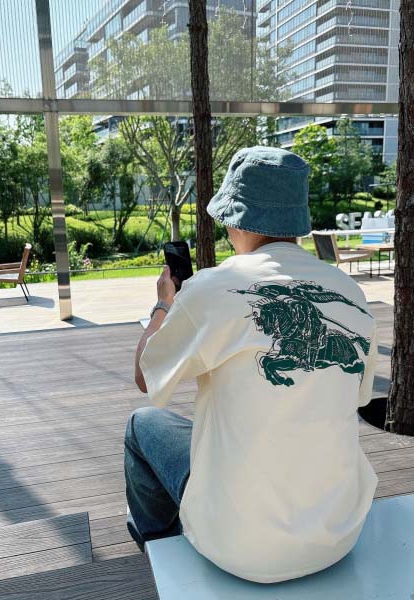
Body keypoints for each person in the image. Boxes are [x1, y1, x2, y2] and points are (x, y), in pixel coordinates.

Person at [124, 146, 378, 583]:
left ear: (237, 220)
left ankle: (162, 548)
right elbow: (354, 396)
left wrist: (164, 304)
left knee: (142, 424)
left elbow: (145, 376)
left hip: (239, 549)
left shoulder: (211, 288)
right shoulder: (351, 295)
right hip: (338, 535)